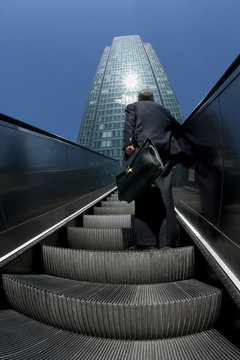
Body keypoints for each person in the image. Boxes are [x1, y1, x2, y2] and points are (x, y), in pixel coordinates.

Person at [123, 89, 182, 250]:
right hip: (165, 153)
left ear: (139, 98)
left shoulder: (133, 106)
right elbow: (178, 129)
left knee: (144, 194)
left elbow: (130, 124)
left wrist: (128, 145)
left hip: (145, 151)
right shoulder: (164, 110)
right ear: (153, 99)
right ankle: (167, 243)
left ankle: (146, 242)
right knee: (165, 194)